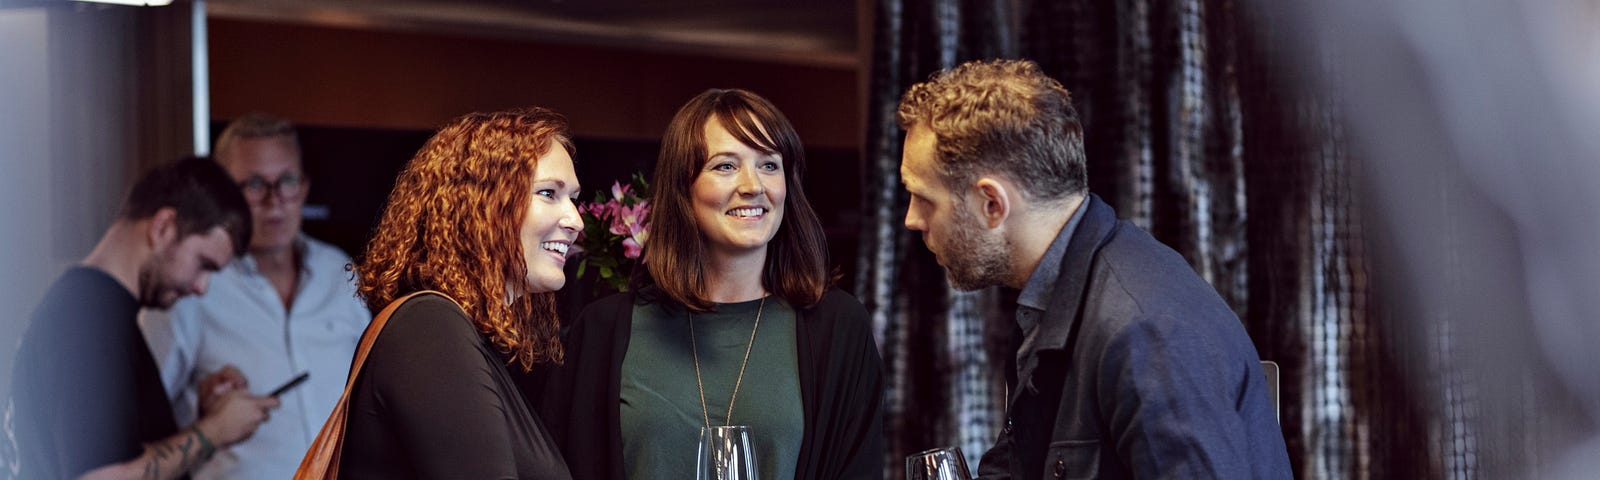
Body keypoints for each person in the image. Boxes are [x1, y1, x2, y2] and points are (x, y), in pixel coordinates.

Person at [896, 59, 1291, 479]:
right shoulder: (1054, 300)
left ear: (992, 204)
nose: (911, 219)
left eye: (924, 198)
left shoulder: (1143, 331)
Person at [535, 88, 885, 480]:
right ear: (684, 188)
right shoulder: (603, 330)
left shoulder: (838, 326)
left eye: (769, 165)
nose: (753, 185)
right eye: (725, 166)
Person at [336, 108, 580, 479]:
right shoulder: (429, 326)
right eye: (549, 193)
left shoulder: (457, 334)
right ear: (480, 206)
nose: (575, 220)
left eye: (573, 198)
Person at [2, 157, 281, 480]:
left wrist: (202, 428)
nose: (201, 288)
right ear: (163, 227)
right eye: (203, 264)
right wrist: (213, 430)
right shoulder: (88, 318)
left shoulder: (98, 311)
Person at [140, 113, 371, 480]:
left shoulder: (342, 276)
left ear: (305, 187)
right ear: (223, 195)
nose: (274, 201)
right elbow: (140, 427)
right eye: (254, 185)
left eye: (287, 181)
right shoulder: (192, 287)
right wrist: (198, 410)